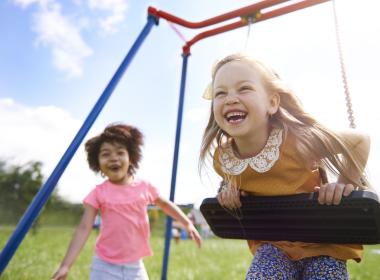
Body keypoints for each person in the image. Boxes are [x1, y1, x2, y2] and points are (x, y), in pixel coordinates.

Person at [199, 53, 371, 279]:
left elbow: (360, 140)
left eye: (244, 89)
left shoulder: (297, 142)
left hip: (323, 243)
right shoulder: (223, 158)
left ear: (272, 102)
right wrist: (228, 193)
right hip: (274, 245)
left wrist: (342, 185)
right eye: (221, 93)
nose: (230, 99)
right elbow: (240, 181)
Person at [52, 123, 201, 280]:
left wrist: (187, 223)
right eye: (105, 154)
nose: (114, 158)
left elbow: (165, 204)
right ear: (98, 164)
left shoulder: (144, 187)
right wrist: (65, 266)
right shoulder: (98, 193)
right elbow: (84, 228)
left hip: (135, 266)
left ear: (131, 158)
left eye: (120, 152)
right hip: (104, 266)